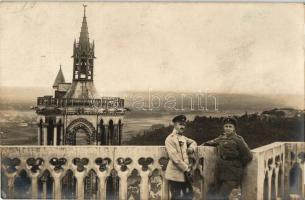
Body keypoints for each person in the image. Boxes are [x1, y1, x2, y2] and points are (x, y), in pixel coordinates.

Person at [203, 116, 252, 200]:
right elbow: (211, 143)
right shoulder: (221, 137)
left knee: (222, 196)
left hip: (232, 172)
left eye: (230, 126)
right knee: (211, 193)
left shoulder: (238, 140)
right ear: (223, 127)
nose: (228, 128)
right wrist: (202, 145)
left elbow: (248, 156)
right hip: (220, 171)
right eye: (226, 126)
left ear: (234, 128)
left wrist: (237, 165)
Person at [165, 115, 197, 200]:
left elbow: (194, 142)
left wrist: (191, 148)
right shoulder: (170, 139)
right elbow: (175, 159)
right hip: (175, 174)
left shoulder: (183, 138)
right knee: (176, 197)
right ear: (175, 125)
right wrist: (187, 169)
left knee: (189, 195)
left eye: (184, 125)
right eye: (180, 124)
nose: (182, 126)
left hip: (185, 174)